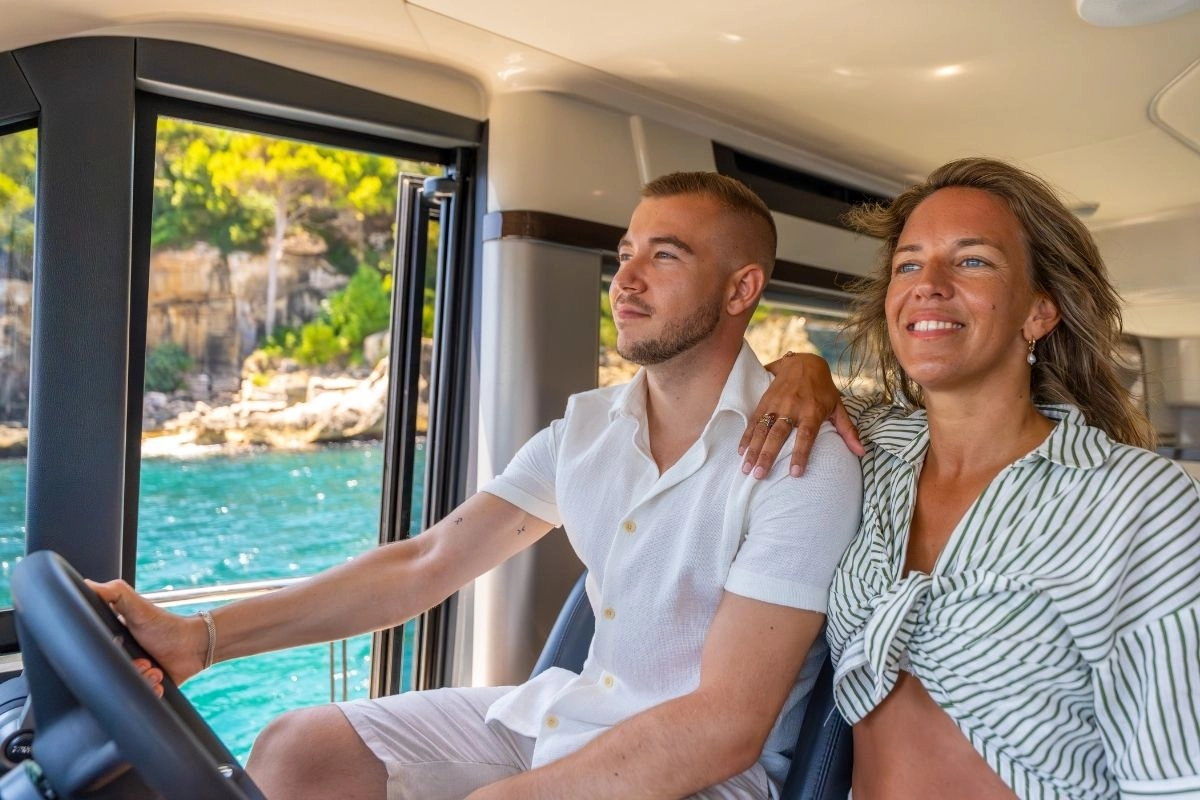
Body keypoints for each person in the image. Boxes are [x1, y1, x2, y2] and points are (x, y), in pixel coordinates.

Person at [92, 171, 863, 800]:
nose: (624, 278)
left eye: (664, 257)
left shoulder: (804, 459)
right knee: (300, 745)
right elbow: (426, 563)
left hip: (706, 777)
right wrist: (203, 638)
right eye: (626, 252)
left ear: (740, 290)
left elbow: (727, 724)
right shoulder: (586, 432)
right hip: (563, 713)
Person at [738, 157, 1200, 798]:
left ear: (1040, 311)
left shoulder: (1137, 498)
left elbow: (1175, 768)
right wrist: (803, 366)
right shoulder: (862, 448)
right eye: (908, 264)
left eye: (973, 260)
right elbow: (725, 408)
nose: (927, 284)